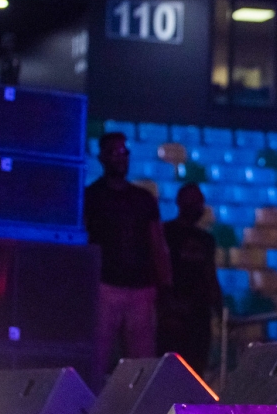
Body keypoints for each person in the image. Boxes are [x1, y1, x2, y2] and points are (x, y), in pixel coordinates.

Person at [84, 132, 172, 374]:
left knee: (142, 364)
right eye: (114, 152)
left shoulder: (143, 199)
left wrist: (165, 284)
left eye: (123, 152)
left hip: (141, 288)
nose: (120, 157)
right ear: (102, 157)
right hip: (105, 286)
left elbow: (157, 242)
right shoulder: (91, 197)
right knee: (97, 357)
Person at [157, 183, 222, 374]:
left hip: (199, 317)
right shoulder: (165, 233)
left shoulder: (206, 240)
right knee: (169, 372)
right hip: (172, 315)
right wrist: (167, 305)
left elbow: (210, 276)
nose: (197, 206)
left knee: (196, 371)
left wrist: (219, 309)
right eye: (193, 201)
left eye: (199, 201)